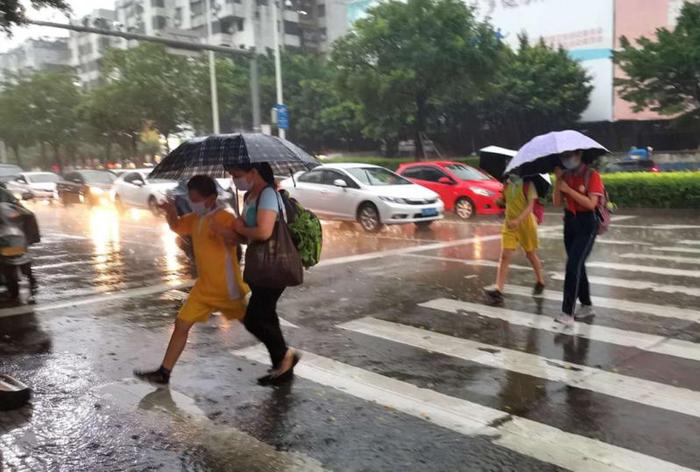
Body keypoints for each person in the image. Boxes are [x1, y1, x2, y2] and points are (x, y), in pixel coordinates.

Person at [134, 175, 249, 385]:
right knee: (181, 325)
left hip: (226, 289)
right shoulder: (196, 218)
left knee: (254, 324)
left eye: (196, 198)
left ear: (211, 198)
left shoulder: (224, 217)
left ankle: (281, 354)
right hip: (204, 288)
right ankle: (164, 373)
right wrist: (170, 212)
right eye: (190, 198)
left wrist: (223, 232)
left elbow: (240, 240)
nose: (192, 202)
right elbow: (177, 227)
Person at [224, 162, 300, 386]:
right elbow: (250, 235)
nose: (234, 179)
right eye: (231, 175)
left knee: (254, 319)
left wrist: (239, 229)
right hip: (261, 265)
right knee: (267, 316)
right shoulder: (249, 196)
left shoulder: (267, 194)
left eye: (237, 174)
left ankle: (286, 355)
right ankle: (282, 369)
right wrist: (235, 234)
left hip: (274, 266)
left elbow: (264, 232)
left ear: (253, 173)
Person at [552, 150, 604, 326]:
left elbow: (591, 204)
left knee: (572, 265)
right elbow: (557, 203)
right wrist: (558, 180)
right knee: (577, 264)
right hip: (570, 223)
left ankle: (568, 313)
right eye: (563, 156)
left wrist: (568, 190)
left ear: (579, 154)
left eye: (569, 155)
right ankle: (587, 305)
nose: (566, 159)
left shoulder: (592, 175)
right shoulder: (565, 176)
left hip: (587, 224)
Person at [484, 174, 545, 303]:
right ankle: (498, 290)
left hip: (526, 223)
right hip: (509, 223)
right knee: (505, 255)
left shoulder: (528, 184)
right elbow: (505, 201)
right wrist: (498, 200)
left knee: (530, 254)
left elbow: (530, 207)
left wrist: (518, 220)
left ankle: (540, 280)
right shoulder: (507, 184)